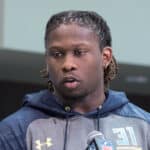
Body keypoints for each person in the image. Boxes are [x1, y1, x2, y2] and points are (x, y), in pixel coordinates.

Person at [0, 10, 150, 150]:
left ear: (105, 57)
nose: (67, 64)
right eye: (57, 54)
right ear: (47, 60)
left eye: (79, 52)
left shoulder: (143, 125)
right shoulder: (15, 130)